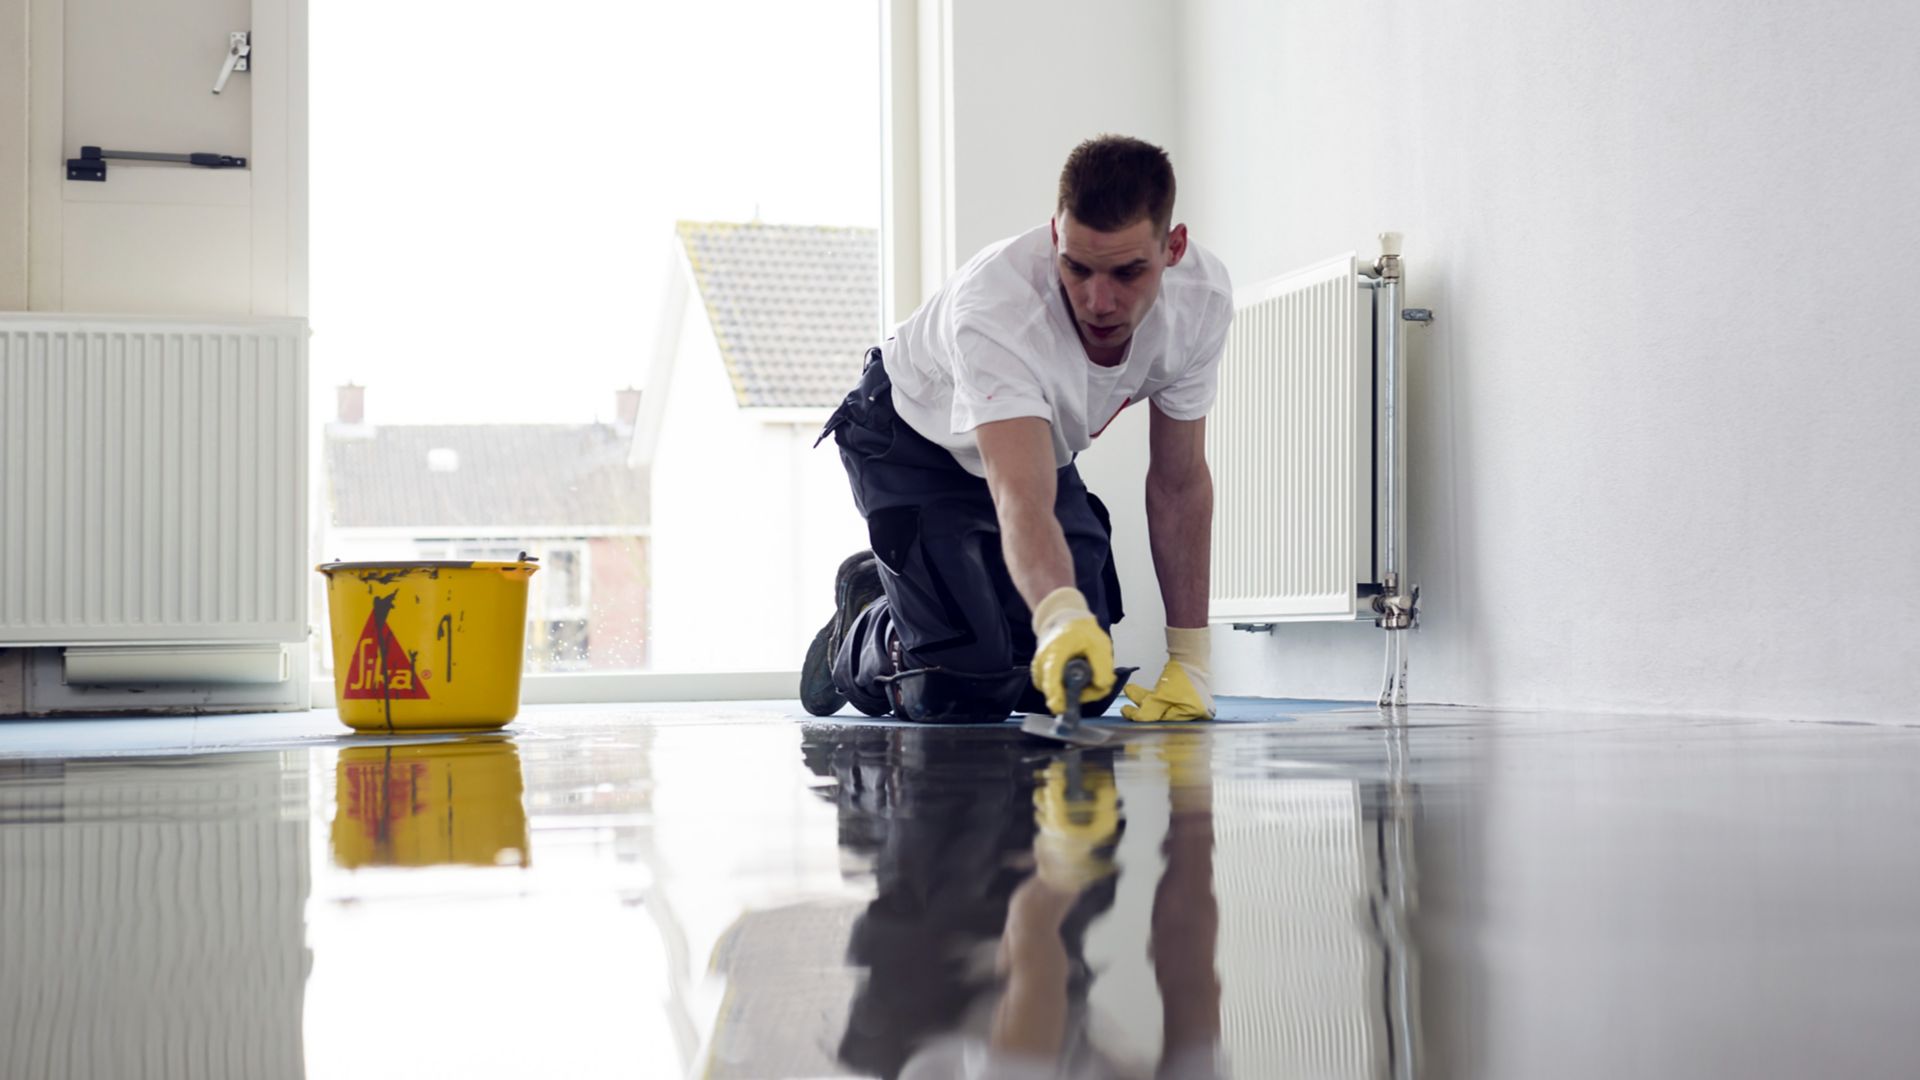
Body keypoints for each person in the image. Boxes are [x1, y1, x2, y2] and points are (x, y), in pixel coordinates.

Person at [803, 134, 1232, 725]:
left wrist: (1192, 660)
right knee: (962, 682)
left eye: (1128, 272)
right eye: (1077, 268)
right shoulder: (1000, 309)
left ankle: (929, 593)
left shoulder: (1201, 303)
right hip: (910, 441)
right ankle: (869, 617)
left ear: (1173, 248)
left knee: (1080, 682)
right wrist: (1059, 618)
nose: (1098, 300)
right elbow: (1021, 498)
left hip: (1032, 452)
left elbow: (1179, 484)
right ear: (1055, 236)